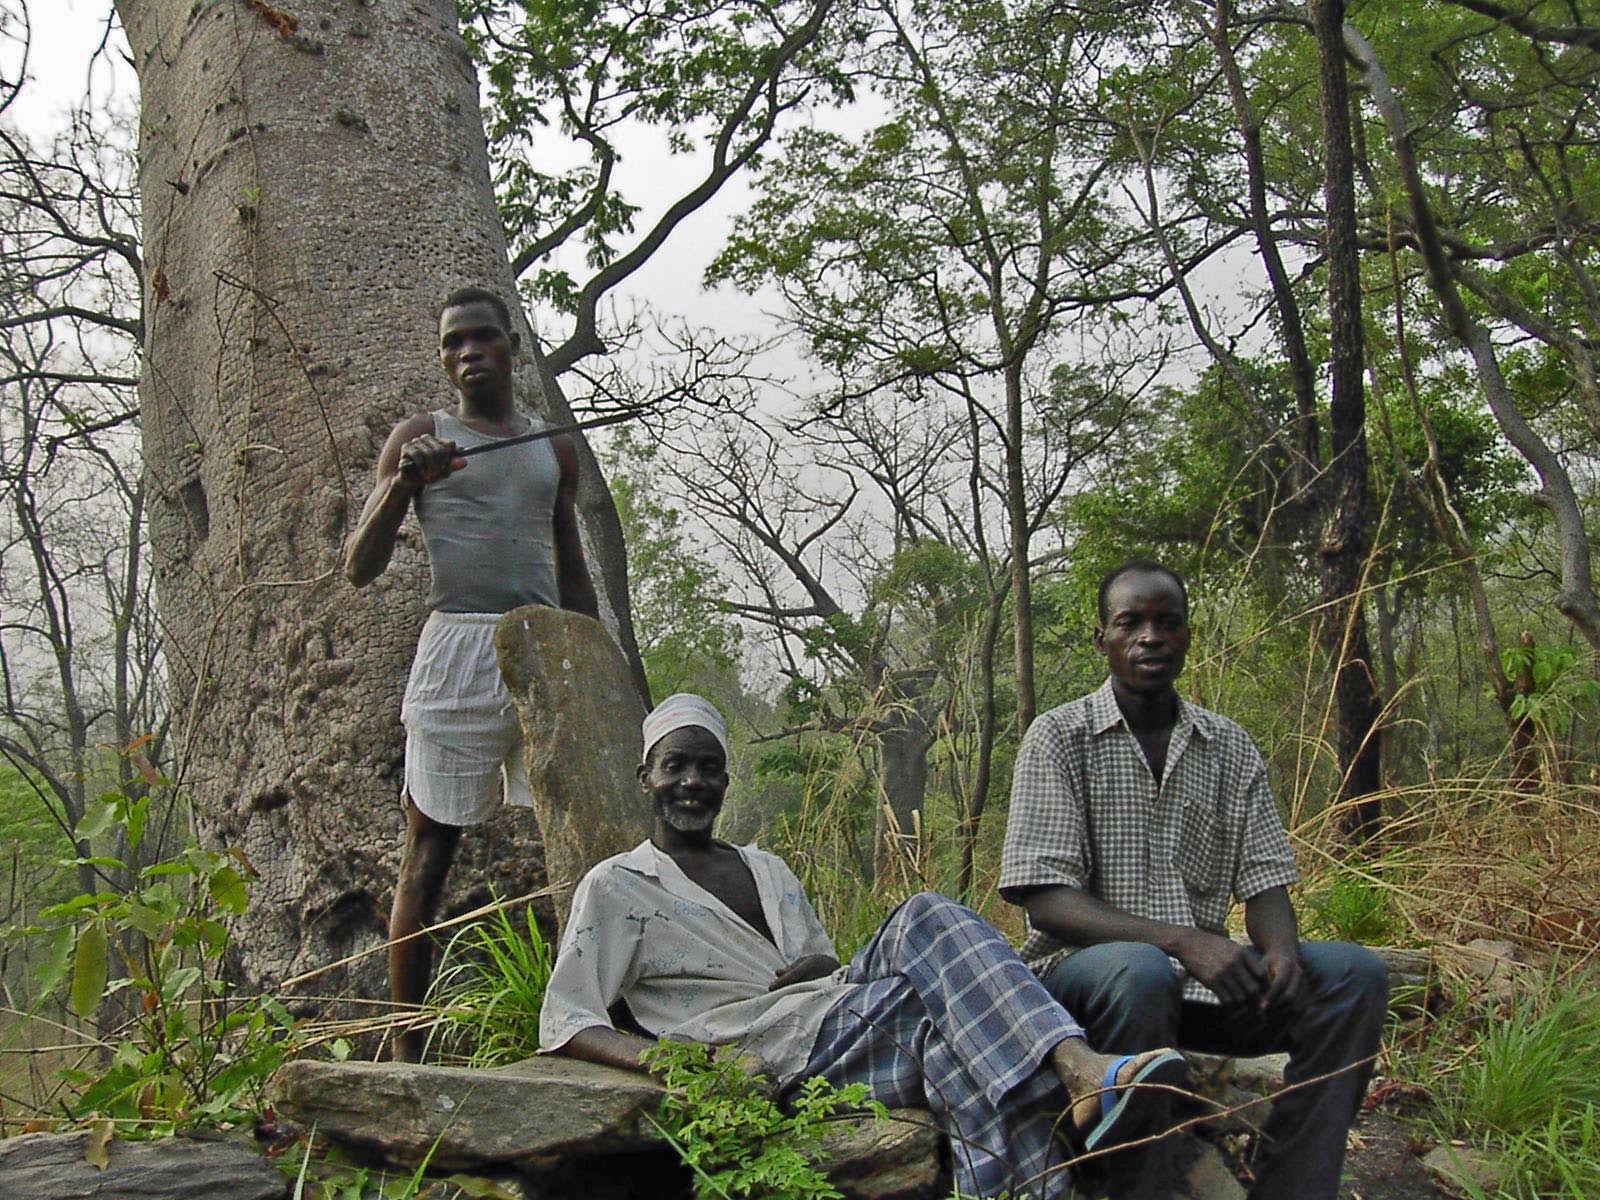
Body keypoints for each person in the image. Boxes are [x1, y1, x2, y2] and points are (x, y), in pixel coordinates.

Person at [539, 693, 1189, 1200]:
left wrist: (819, 964)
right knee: (943, 1014)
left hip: (830, 1018)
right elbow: (568, 1019)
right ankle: (1076, 1070)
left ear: (726, 782)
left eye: (708, 768)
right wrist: (667, 1064)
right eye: (674, 766)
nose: (691, 782)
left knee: (927, 928)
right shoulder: (620, 884)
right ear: (644, 778)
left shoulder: (768, 870)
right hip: (757, 1050)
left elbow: (824, 971)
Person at [1000, 559, 1388, 1200]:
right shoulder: (1059, 737)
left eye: (1166, 622)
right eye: (1130, 622)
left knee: (1353, 977)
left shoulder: (1228, 746)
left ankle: (1294, 1186)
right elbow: (1044, 901)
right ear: (1104, 641)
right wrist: (1183, 941)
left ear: (1186, 636)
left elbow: (1266, 882)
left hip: (1195, 989)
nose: (1150, 636)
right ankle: (1134, 1187)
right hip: (1078, 990)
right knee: (1139, 968)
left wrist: (1282, 953)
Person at [345, 286, 599, 1061]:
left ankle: (590, 1024)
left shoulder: (552, 447)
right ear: (442, 357)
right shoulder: (421, 437)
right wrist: (403, 484)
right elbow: (358, 567)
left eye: (483, 340)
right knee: (428, 852)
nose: (468, 354)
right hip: (455, 653)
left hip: (543, 648)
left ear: (513, 347)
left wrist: (594, 661)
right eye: (454, 343)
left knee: (582, 849)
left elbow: (571, 564)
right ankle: (403, 1048)